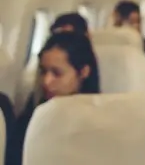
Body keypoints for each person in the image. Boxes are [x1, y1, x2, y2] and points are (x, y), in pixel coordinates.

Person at [9, 31, 100, 165]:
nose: (46, 81)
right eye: (44, 71)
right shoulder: (30, 119)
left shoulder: (99, 123)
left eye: (57, 73)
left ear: (83, 72)